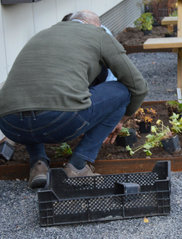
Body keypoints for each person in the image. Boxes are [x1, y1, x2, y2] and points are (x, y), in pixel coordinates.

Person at [0, 10, 148, 189]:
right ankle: (78, 166)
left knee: (31, 94)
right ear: (95, 26)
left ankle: (38, 164)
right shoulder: (98, 35)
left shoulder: (41, 35)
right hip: (61, 121)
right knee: (123, 91)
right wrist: (122, 119)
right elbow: (138, 86)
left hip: (10, 124)